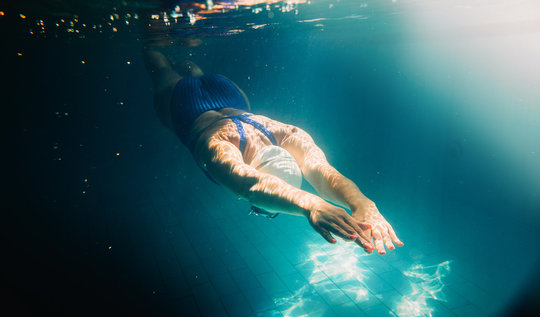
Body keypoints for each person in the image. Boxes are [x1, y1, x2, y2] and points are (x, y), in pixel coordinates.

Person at [143, 49, 403, 255]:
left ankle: (188, 48)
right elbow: (253, 186)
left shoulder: (287, 135)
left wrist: (362, 203)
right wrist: (311, 205)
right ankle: (156, 41)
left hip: (230, 96)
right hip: (186, 107)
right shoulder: (219, 151)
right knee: (162, 68)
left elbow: (322, 171)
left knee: (194, 73)